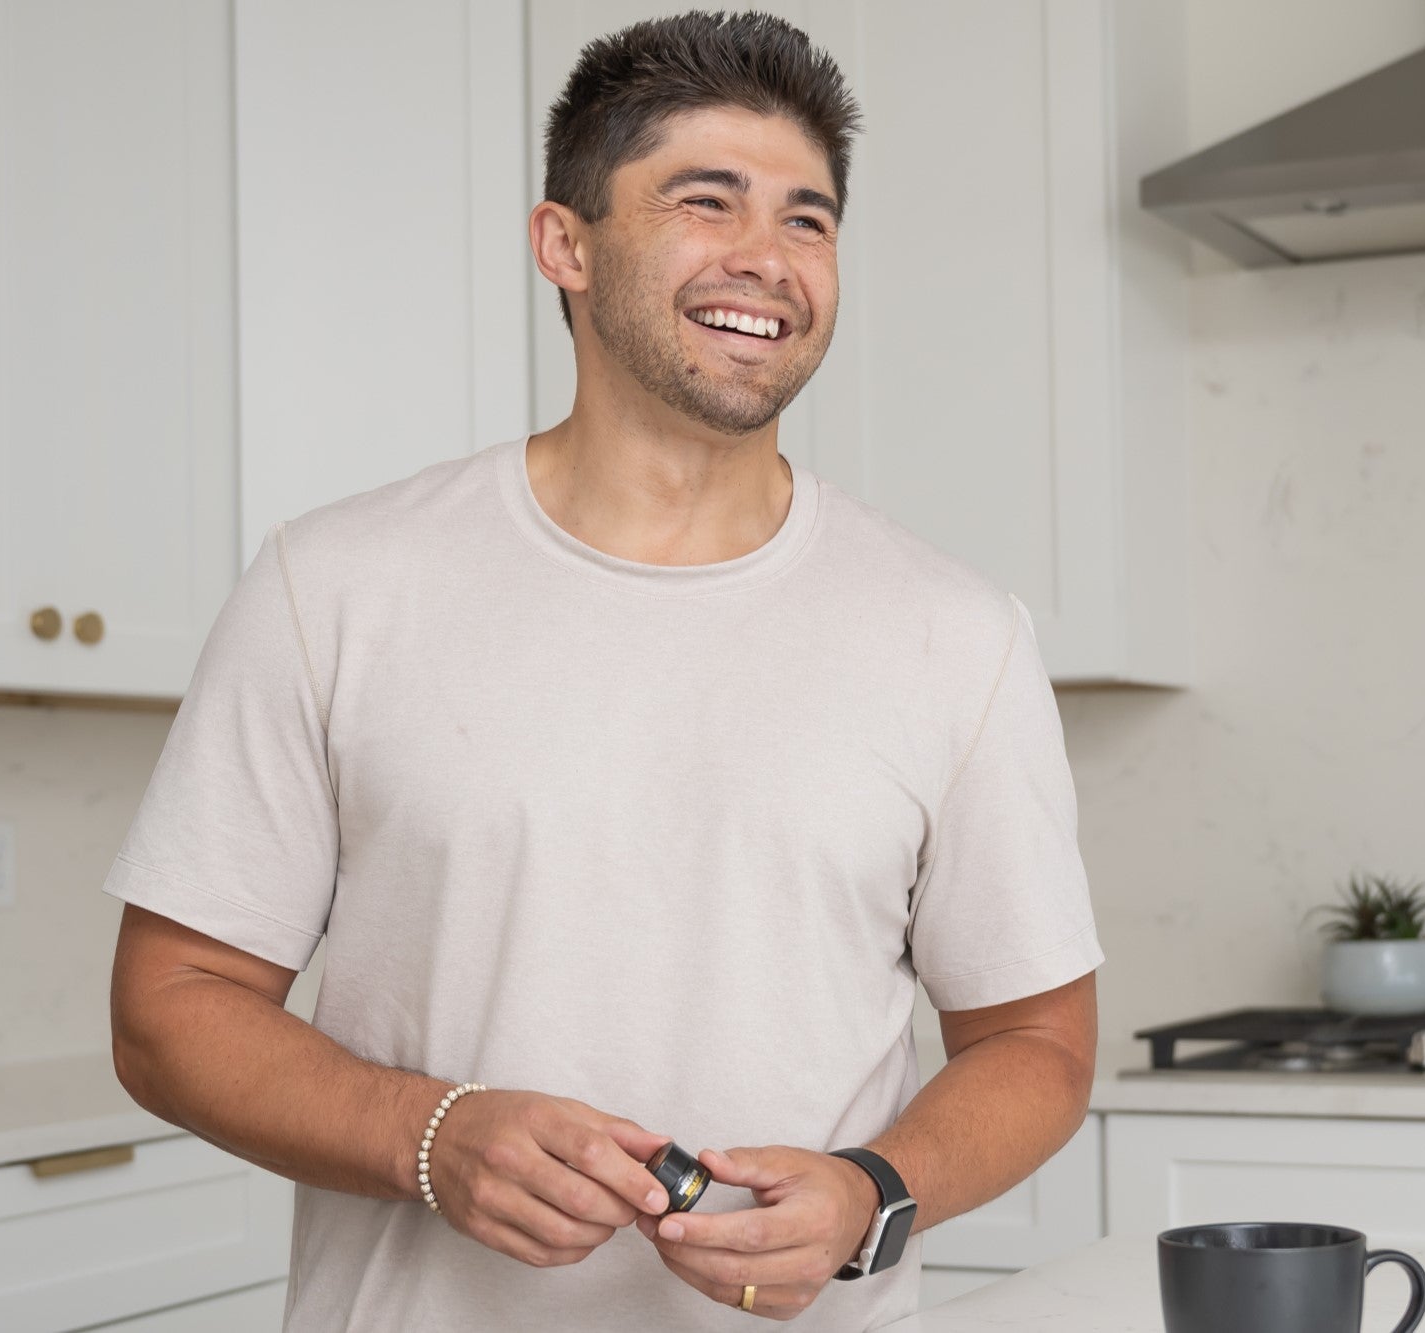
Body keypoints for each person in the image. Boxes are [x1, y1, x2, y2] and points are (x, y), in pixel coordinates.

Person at [104, 10, 1101, 1330]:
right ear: (563, 244)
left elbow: (1038, 1044)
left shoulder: (958, 633)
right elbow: (169, 1009)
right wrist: (430, 1132)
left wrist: (875, 1189)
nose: (769, 259)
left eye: (809, 219)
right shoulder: (336, 583)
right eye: (709, 201)